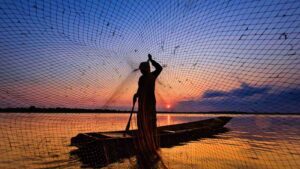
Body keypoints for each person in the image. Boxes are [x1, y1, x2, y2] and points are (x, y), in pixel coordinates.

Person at [133, 54, 163, 168]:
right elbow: (140, 90)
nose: (141, 71)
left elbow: (160, 68)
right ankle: (144, 141)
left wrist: (151, 60)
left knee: (150, 123)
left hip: (150, 105)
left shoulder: (152, 75)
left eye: (142, 69)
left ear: (146, 69)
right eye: (141, 70)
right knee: (141, 122)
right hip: (142, 105)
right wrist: (136, 95)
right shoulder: (141, 78)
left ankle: (151, 142)